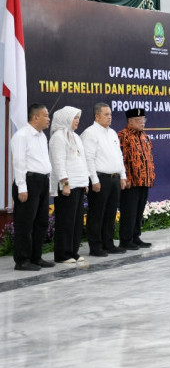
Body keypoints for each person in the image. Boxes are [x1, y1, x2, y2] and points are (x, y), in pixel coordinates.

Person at [10, 104, 54, 271]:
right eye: (46, 115)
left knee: (41, 222)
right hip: (28, 182)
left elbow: (43, 161)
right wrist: (22, 187)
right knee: (25, 223)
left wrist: (47, 183)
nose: (49, 119)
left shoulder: (42, 136)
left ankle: (36, 257)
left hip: (42, 181)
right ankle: (22, 260)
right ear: (35, 117)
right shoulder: (22, 135)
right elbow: (19, 162)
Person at [81, 103, 127, 257]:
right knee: (97, 214)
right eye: (106, 114)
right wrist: (94, 180)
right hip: (100, 179)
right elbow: (89, 159)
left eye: (110, 114)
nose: (110, 117)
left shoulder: (113, 133)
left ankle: (108, 243)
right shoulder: (90, 133)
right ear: (97, 116)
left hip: (114, 178)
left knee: (110, 213)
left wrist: (123, 175)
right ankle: (96, 246)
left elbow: (119, 156)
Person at [49, 106, 89, 264]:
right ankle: (62, 254)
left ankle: (73, 251)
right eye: (74, 118)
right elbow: (58, 162)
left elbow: (82, 160)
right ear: (65, 118)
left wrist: (85, 181)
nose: (77, 121)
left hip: (79, 184)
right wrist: (64, 183)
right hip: (67, 186)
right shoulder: (58, 137)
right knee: (65, 221)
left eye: (78, 118)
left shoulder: (76, 137)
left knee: (77, 221)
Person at [118, 108, 155, 250]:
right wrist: (125, 178)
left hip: (144, 180)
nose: (142, 123)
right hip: (130, 182)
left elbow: (149, 158)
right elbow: (122, 159)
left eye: (144, 120)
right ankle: (125, 240)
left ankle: (136, 237)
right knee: (129, 211)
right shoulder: (123, 136)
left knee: (139, 211)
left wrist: (150, 176)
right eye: (139, 120)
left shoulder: (144, 136)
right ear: (130, 121)